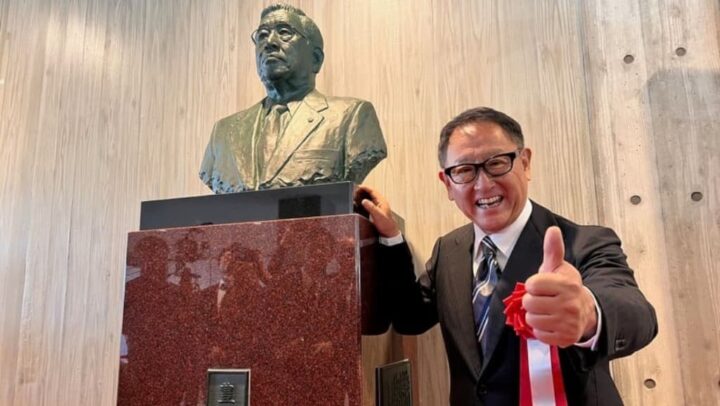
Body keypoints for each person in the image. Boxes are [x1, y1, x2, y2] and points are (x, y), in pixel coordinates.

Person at [358, 107, 658, 405]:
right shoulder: (448, 250)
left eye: (497, 163)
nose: (483, 184)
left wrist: (589, 314)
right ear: (448, 184)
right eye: (464, 170)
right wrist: (391, 237)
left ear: (525, 163)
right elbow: (410, 318)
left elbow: (638, 315)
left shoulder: (584, 241)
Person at [200, 4, 387, 193]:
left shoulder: (351, 117)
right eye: (262, 34)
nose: (269, 42)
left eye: (284, 32)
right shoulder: (223, 132)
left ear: (315, 59)